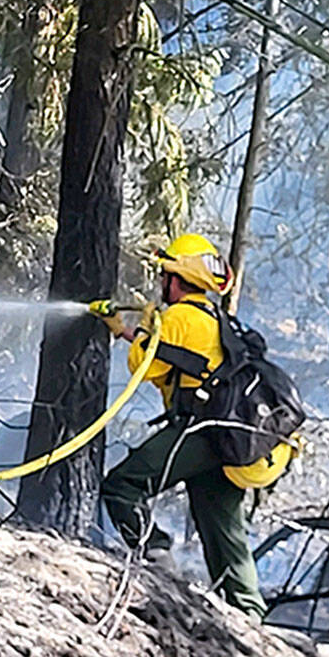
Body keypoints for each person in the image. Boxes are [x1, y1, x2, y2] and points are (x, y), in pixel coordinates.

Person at [97, 233, 268, 619]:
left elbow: (145, 367)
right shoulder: (214, 317)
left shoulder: (177, 317)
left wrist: (145, 327)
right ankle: (249, 613)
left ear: (176, 279)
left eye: (165, 276)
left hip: (199, 431)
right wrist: (123, 330)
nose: (161, 284)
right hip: (226, 436)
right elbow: (178, 359)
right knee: (222, 522)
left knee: (122, 485)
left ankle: (158, 560)